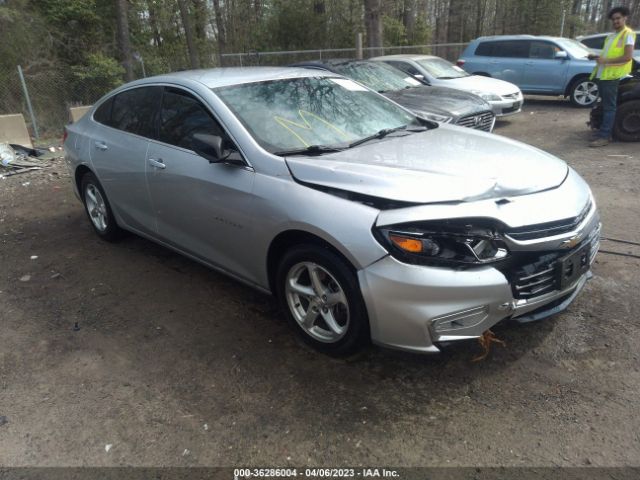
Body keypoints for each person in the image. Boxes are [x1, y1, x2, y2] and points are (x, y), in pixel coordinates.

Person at [588, 6, 636, 147]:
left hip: (612, 76)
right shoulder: (612, 36)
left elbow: (627, 57)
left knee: (610, 107)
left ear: (625, 18)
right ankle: (603, 131)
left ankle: (605, 136)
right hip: (603, 74)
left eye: (618, 18)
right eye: (613, 19)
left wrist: (605, 61)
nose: (615, 21)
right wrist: (596, 56)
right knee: (605, 105)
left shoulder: (628, 34)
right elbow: (609, 55)